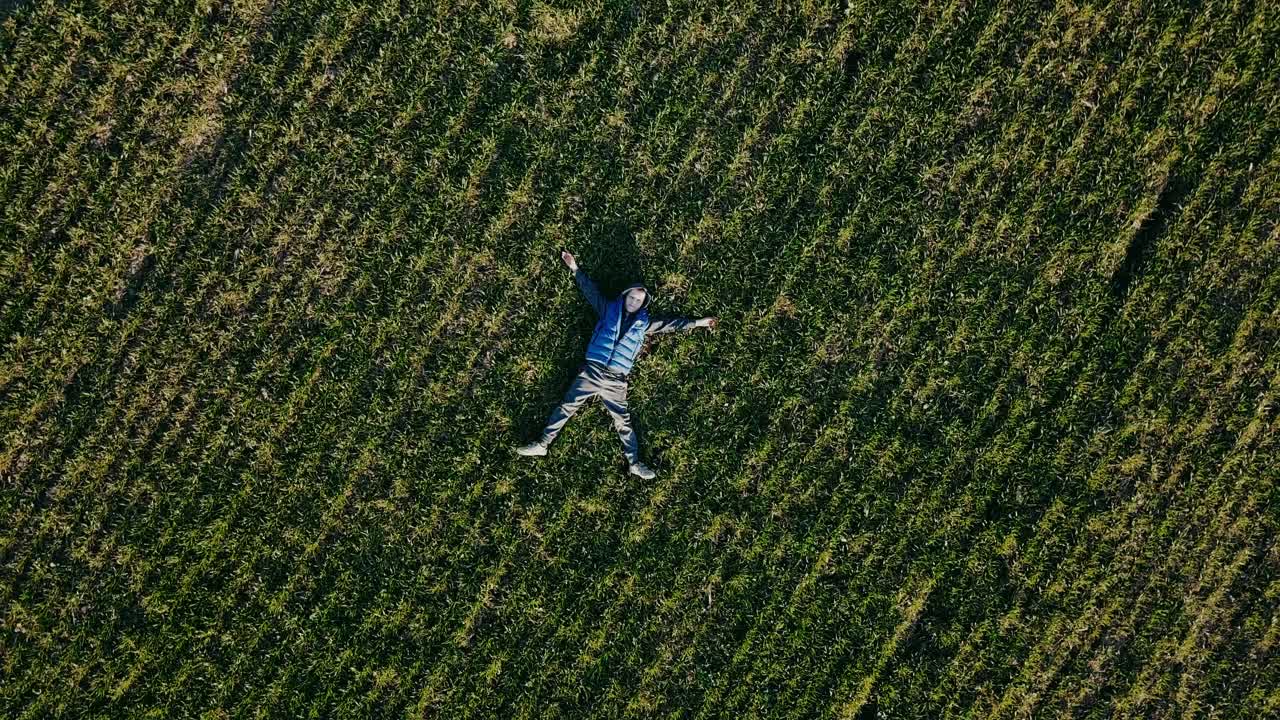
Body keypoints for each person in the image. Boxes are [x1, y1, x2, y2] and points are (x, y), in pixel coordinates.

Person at [516, 250, 718, 479]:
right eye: (631, 297)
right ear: (624, 296)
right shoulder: (607, 309)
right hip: (591, 372)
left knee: (623, 421)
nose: (633, 302)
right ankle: (542, 444)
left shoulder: (645, 324)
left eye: (638, 300)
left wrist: (699, 323)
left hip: (616, 380)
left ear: (643, 304)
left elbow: (670, 324)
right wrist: (575, 269)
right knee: (567, 406)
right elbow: (590, 292)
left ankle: (634, 463)